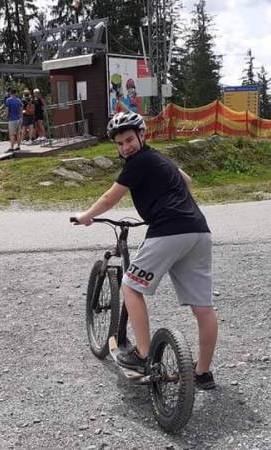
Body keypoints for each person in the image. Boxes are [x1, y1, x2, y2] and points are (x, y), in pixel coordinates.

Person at [73, 112, 218, 390]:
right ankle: (203, 373)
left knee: (130, 286)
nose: (126, 147)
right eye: (120, 144)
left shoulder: (138, 162)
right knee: (203, 307)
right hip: (199, 231)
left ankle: (141, 355)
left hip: (168, 230)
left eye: (129, 140)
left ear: (142, 135)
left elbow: (110, 197)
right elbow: (187, 181)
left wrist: (87, 216)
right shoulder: (161, 159)